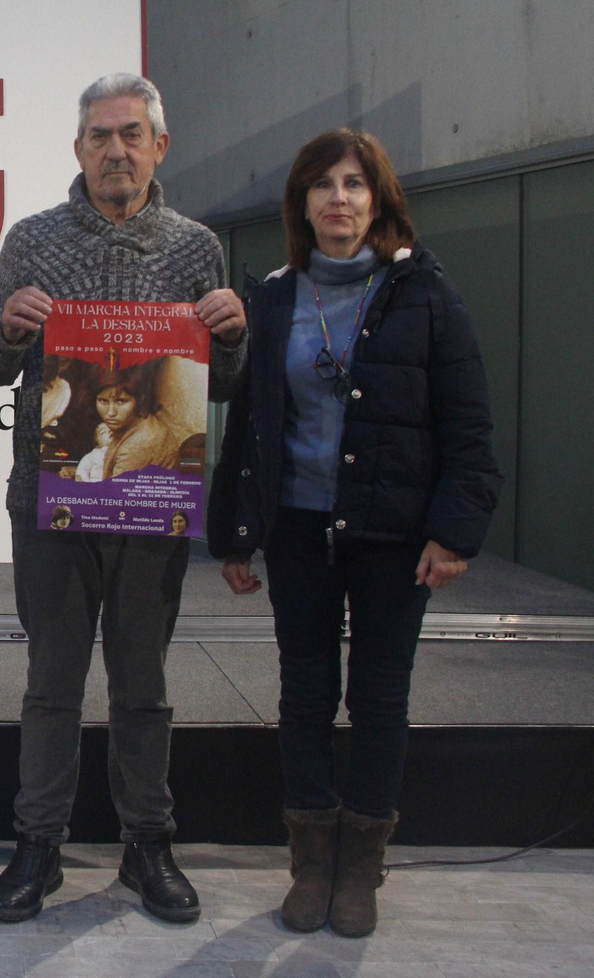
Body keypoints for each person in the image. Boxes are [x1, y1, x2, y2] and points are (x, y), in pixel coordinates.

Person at [0, 74, 247, 924]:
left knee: (144, 683)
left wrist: (234, 338)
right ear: (78, 148)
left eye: (131, 133)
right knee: (50, 683)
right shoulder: (31, 237)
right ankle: (39, 844)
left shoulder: (197, 247)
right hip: (51, 503)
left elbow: (220, 386)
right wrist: (8, 329)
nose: (115, 149)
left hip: (151, 504)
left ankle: (147, 845)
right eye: (99, 135)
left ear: (160, 146)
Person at [209, 129, 500, 938]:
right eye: (323, 185)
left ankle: (360, 872)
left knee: (378, 697)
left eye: (355, 184)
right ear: (302, 203)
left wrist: (455, 533)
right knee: (305, 695)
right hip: (298, 529)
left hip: (393, 535)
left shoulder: (426, 293)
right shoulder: (274, 295)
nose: (339, 199)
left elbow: (468, 426)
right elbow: (252, 424)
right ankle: (309, 865)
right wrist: (236, 531)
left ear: (379, 200)